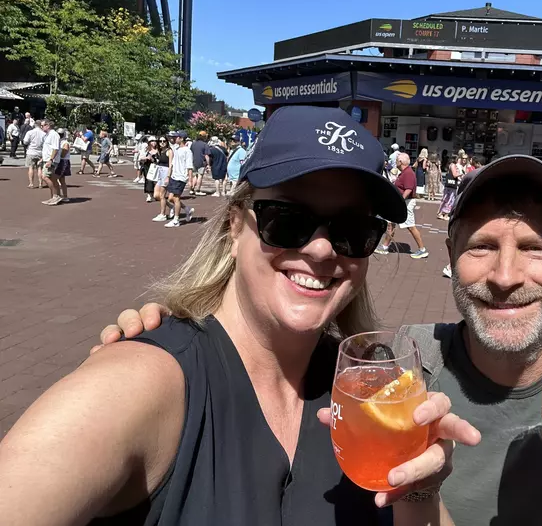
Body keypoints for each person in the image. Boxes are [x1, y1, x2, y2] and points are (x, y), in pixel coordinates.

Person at [106, 153, 542, 526]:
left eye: (533, 249)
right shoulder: (401, 365)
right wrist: (172, 329)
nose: (504, 276)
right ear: (449, 255)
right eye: (480, 249)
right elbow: (279, 343)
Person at [0, 106, 473, 525]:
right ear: (233, 227)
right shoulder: (138, 384)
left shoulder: (366, 389)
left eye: (354, 229)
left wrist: (419, 487)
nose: (322, 248)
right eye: (287, 219)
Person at [374, 152, 429, 259]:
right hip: (402, 202)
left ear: (400, 162)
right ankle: (385, 247)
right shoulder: (404, 172)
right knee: (391, 223)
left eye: (397, 160)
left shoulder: (408, 173)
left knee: (410, 226)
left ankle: (422, 249)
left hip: (406, 203)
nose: (395, 162)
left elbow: (408, 189)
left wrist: (400, 201)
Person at [164, 130, 195, 228]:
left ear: (181, 139)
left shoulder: (187, 151)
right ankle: (187, 209)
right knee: (170, 198)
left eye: (177, 137)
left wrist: (190, 180)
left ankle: (176, 220)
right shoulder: (176, 149)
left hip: (181, 177)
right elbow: (172, 164)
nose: (174, 138)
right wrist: (168, 176)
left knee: (176, 198)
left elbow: (189, 166)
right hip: (174, 176)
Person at [438, 152, 466, 220]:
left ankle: (441, 213)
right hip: (452, 184)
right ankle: (446, 214)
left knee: (446, 198)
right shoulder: (453, 165)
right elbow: (454, 175)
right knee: (450, 199)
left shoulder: (450, 165)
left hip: (449, 185)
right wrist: (460, 174)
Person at [152, 137, 175, 222]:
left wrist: (168, 177)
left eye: (164, 141)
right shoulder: (160, 151)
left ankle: (163, 214)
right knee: (156, 195)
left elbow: (170, 165)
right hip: (160, 173)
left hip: (165, 173)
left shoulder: (169, 151)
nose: (162, 143)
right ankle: (171, 206)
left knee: (162, 195)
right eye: (160, 141)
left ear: (167, 142)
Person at [40, 119, 62, 206]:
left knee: (45, 176)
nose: (41, 127)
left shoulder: (54, 135)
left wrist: (51, 160)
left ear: (47, 125)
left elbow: (55, 148)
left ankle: (55, 196)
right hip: (47, 159)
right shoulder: (48, 135)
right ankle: (55, 196)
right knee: (52, 178)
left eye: (42, 125)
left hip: (51, 160)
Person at [22, 120, 45, 189]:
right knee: (39, 168)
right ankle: (40, 183)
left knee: (31, 167)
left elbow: (25, 142)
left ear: (34, 125)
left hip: (31, 152)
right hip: (40, 152)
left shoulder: (30, 132)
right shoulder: (43, 133)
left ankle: (31, 183)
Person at [190, 130, 211, 196]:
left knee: (195, 175)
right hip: (201, 162)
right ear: (204, 137)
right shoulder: (205, 145)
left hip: (193, 161)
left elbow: (191, 152)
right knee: (200, 176)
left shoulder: (193, 143)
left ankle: (192, 189)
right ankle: (198, 190)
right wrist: (208, 164)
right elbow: (206, 155)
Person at [53, 128, 72, 203]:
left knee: (55, 178)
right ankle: (63, 196)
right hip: (59, 161)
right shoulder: (58, 141)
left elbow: (63, 154)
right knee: (61, 180)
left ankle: (59, 195)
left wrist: (56, 154)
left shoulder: (65, 143)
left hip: (63, 162)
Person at [141, 136, 159, 203]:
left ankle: (155, 194)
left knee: (155, 181)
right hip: (147, 166)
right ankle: (149, 195)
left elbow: (159, 160)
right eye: (152, 141)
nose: (153, 143)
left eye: (154, 141)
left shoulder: (158, 150)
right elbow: (141, 157)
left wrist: (153, 159)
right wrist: (145, 158)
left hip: (155, 167)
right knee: (148, 180)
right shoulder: (146, 150)